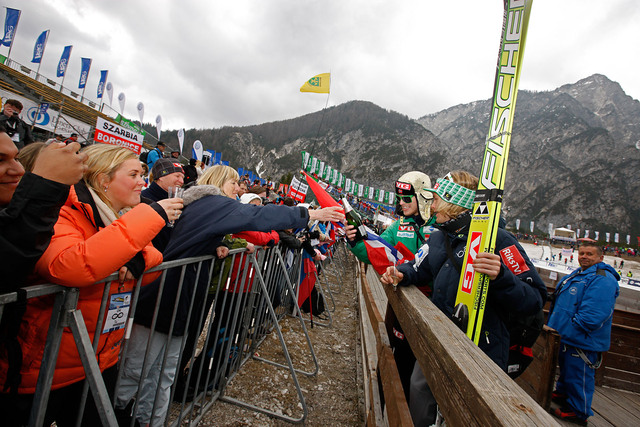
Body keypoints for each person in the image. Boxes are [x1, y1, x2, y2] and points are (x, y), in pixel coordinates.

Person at [116, 164, 344, 425]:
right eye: (233, 183)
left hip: (181, 300)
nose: (239, 188)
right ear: (218, 181)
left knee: (163, 373)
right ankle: (115, 415)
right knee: (136, 371)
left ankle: (147, 421)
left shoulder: (202, 206)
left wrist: (220, 244)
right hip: (163, 299)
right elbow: (257, 216)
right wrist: (311, 213)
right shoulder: (213, 203)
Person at [0, 143, 182, 426]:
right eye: (133, 174)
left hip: (98, 358)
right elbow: (69, 265)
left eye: (142, 175)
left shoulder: (119, 217)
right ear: (102, 180)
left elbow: (154, 261)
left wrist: (131, 255)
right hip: (44, 367)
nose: (141, 183)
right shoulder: (66, 210)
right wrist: (150, 217)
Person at [380, 171, 546, 426]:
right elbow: (418, 267)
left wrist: (502, 277)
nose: (431, 205)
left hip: (482, 352)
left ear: (453, 204)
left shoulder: (499, 240)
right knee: (420, 394)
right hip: (438, 339)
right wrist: (400, 273)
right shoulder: (438, 237)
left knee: (467, 415)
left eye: (436, 200)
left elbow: (534, 298)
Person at [346, 171, 436, 398]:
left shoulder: (439, 225)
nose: (401, 203)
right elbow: (376, 250)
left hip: (434, 310)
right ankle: (387, 405)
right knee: (399, 359)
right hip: (402, 306)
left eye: (407, 198)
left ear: (423, 197)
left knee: (423, 376)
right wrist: (355, 240)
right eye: (398, 198)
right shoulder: (399, 226)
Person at [548, 242, 619, 425]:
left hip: (582, 340)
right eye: (581, 253)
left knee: (579, 375)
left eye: (590, 254)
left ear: (600, 258)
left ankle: (579, 410)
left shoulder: (603, 279)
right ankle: (564, 394)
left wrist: (573, 328)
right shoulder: (580, 273)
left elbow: (594, 314)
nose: (584, 257)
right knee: (567, 371)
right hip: (566, 335)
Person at [141, 158, 185, 251]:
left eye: (182, 177)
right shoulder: (142, 199)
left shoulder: (179, 202)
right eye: (177, 176)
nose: (181, 181)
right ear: (161, 176)